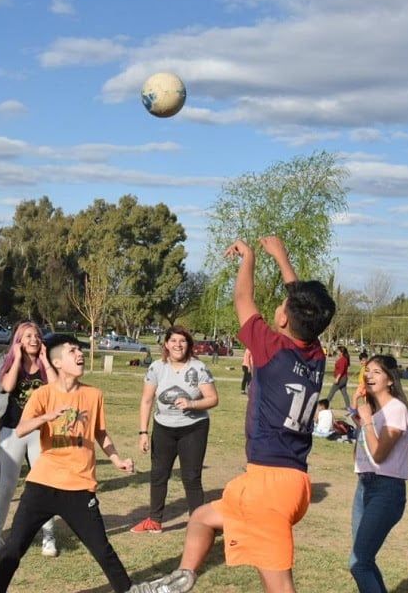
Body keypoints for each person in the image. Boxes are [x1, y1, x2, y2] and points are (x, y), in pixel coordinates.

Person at [131, 236, 335, 593]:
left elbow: (243, 299)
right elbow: (304, 304)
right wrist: (283, 258)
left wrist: (250, 258)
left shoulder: (271, 348)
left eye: (283, 304)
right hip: (289, 481)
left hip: (270, 486)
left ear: (284, 316)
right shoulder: (315, 355)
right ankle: (182, 579)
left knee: (279, 585)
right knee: (202, 518)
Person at [0, 334, 136, 593]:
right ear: (57, 362)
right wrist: (46, 417)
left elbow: (100, 432)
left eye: (80, 350)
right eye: (72, 351)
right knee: (13, 547)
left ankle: (128, 590)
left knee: (102, 548)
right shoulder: (43, 394)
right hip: (42, 484)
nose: (79, 354)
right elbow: (21, 430)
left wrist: (116, 459)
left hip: (79, 486)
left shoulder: (93, 394)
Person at [0, 322, 58, 558]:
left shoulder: (48, 361)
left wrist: (44, 360)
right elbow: (7, 386)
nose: (34, 339)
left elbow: (57, 389)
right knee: (6, 486)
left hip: (40, 431)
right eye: (27, 336)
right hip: (12, 430)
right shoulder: (8, 359)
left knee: (44, 485)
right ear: (18, 340)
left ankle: (49, 536)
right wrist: (16, 359)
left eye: (37, 335)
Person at [132, 326, 218, 534]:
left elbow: (213, 399)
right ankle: (154, 520)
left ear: (188, 344)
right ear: (166, 344)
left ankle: (199, 524)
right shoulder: (156, 368)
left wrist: (192, 404)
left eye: (182, 341)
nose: (178, 345)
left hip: (193, 429)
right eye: (173, 341)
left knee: (191, 477)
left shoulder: (198, 368)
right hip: (163, 428)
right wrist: (143, 432)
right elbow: (146, 400)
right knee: (159, 474)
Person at [349, 354, 408, 593]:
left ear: (390, 380)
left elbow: (379, 455)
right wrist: (360, 417)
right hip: (365, 486)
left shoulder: (396, 409)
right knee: (364, 559)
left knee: (358, 562)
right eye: (368, 371)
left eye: (376, 372)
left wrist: (366, 421)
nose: (369, 376)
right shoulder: (374, 412)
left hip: (386, 490)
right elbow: (361, 457)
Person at [326, 345, 351, 411]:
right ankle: (348, 407)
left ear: (341, 352)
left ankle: (325, 406)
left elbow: (341, 370)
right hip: (344, 378)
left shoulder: (343, 360)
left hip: (341, 379)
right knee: (344, 393)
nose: (337, 352)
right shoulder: (343, 359)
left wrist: (337, 378)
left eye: (338, 351)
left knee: (332, 391)